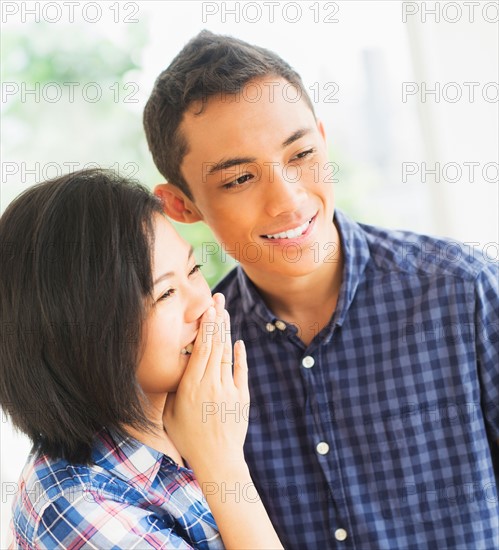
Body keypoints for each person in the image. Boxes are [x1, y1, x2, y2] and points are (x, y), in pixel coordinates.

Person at [143, 30, 499, 549]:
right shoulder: (194, 359)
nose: (287, 201)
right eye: (240, 179)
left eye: (302, 153)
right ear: (181, 206)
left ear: (324, 140)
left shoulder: (464, 292)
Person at [0, 169, 284, 549]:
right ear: (84, 335)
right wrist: (224, 467)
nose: (205, 302)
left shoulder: (190, 422)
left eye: (194, 270)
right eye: (166, 294)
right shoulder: (76, 507)